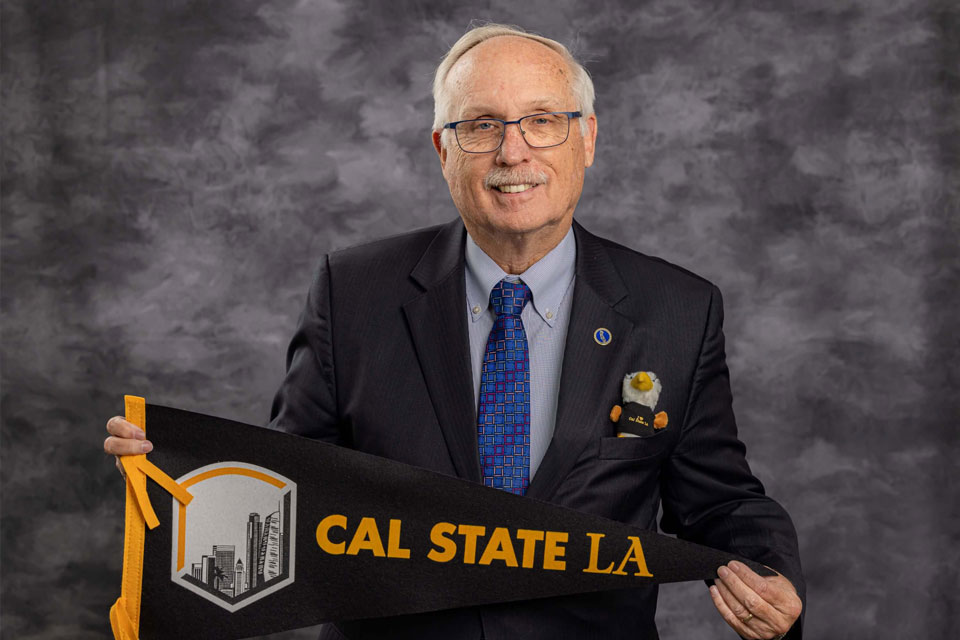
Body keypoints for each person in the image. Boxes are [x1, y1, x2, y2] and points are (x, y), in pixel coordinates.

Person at [105, 23, 803, 640]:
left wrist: (771, 572)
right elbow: (295, 488)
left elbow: (718, 498)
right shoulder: (352, 293)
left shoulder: (677, 308)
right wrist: (180, 471)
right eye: (482, 125)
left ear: (586, 138)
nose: (513, 151)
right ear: (444, 149)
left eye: (542, 121)